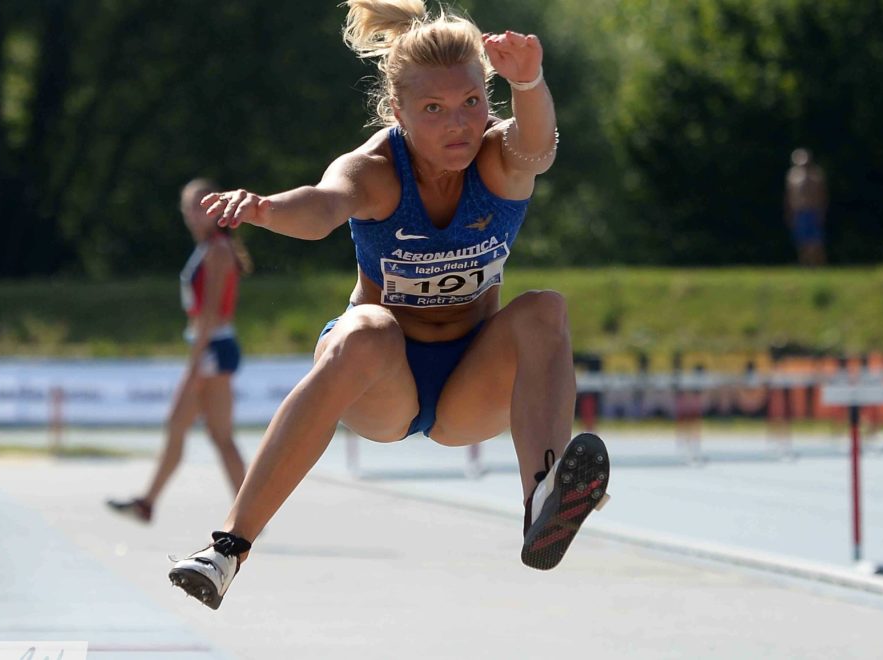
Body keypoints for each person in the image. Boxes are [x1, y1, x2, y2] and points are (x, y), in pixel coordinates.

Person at [167, 0, 611, 611]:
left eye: (471, 102)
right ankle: (227, 549)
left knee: (545, 310)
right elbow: (323, 207)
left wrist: (529, 81)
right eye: (434, 110)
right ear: (398, 112)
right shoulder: (376, 170)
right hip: (381, 383)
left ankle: (544, 496)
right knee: (367, 329)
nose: (458, 125)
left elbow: (539, 149)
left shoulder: (498, 160)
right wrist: (265, 209)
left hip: (469, 385)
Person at [106, 178, 251, 524]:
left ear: (215, 210)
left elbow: (211, 313)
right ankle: (148, 502)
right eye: (188, 207)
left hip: (212, 348)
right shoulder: (208, 248)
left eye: (200, 206)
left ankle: (250, 512)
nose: (193, 213)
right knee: (202, 432)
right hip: (209, 347)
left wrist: (194, 362)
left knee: (204, 432)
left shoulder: (218, 250)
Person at [784, 148, 828, 267]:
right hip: (799, 212)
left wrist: (821, 212)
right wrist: (789, 213)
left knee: (816, 242)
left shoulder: (816, 175)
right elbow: (788, 196)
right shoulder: (792, 176)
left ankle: (819, 266)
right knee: (801, 242)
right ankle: (805, 266)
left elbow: (822, 195)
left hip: (813, 211)